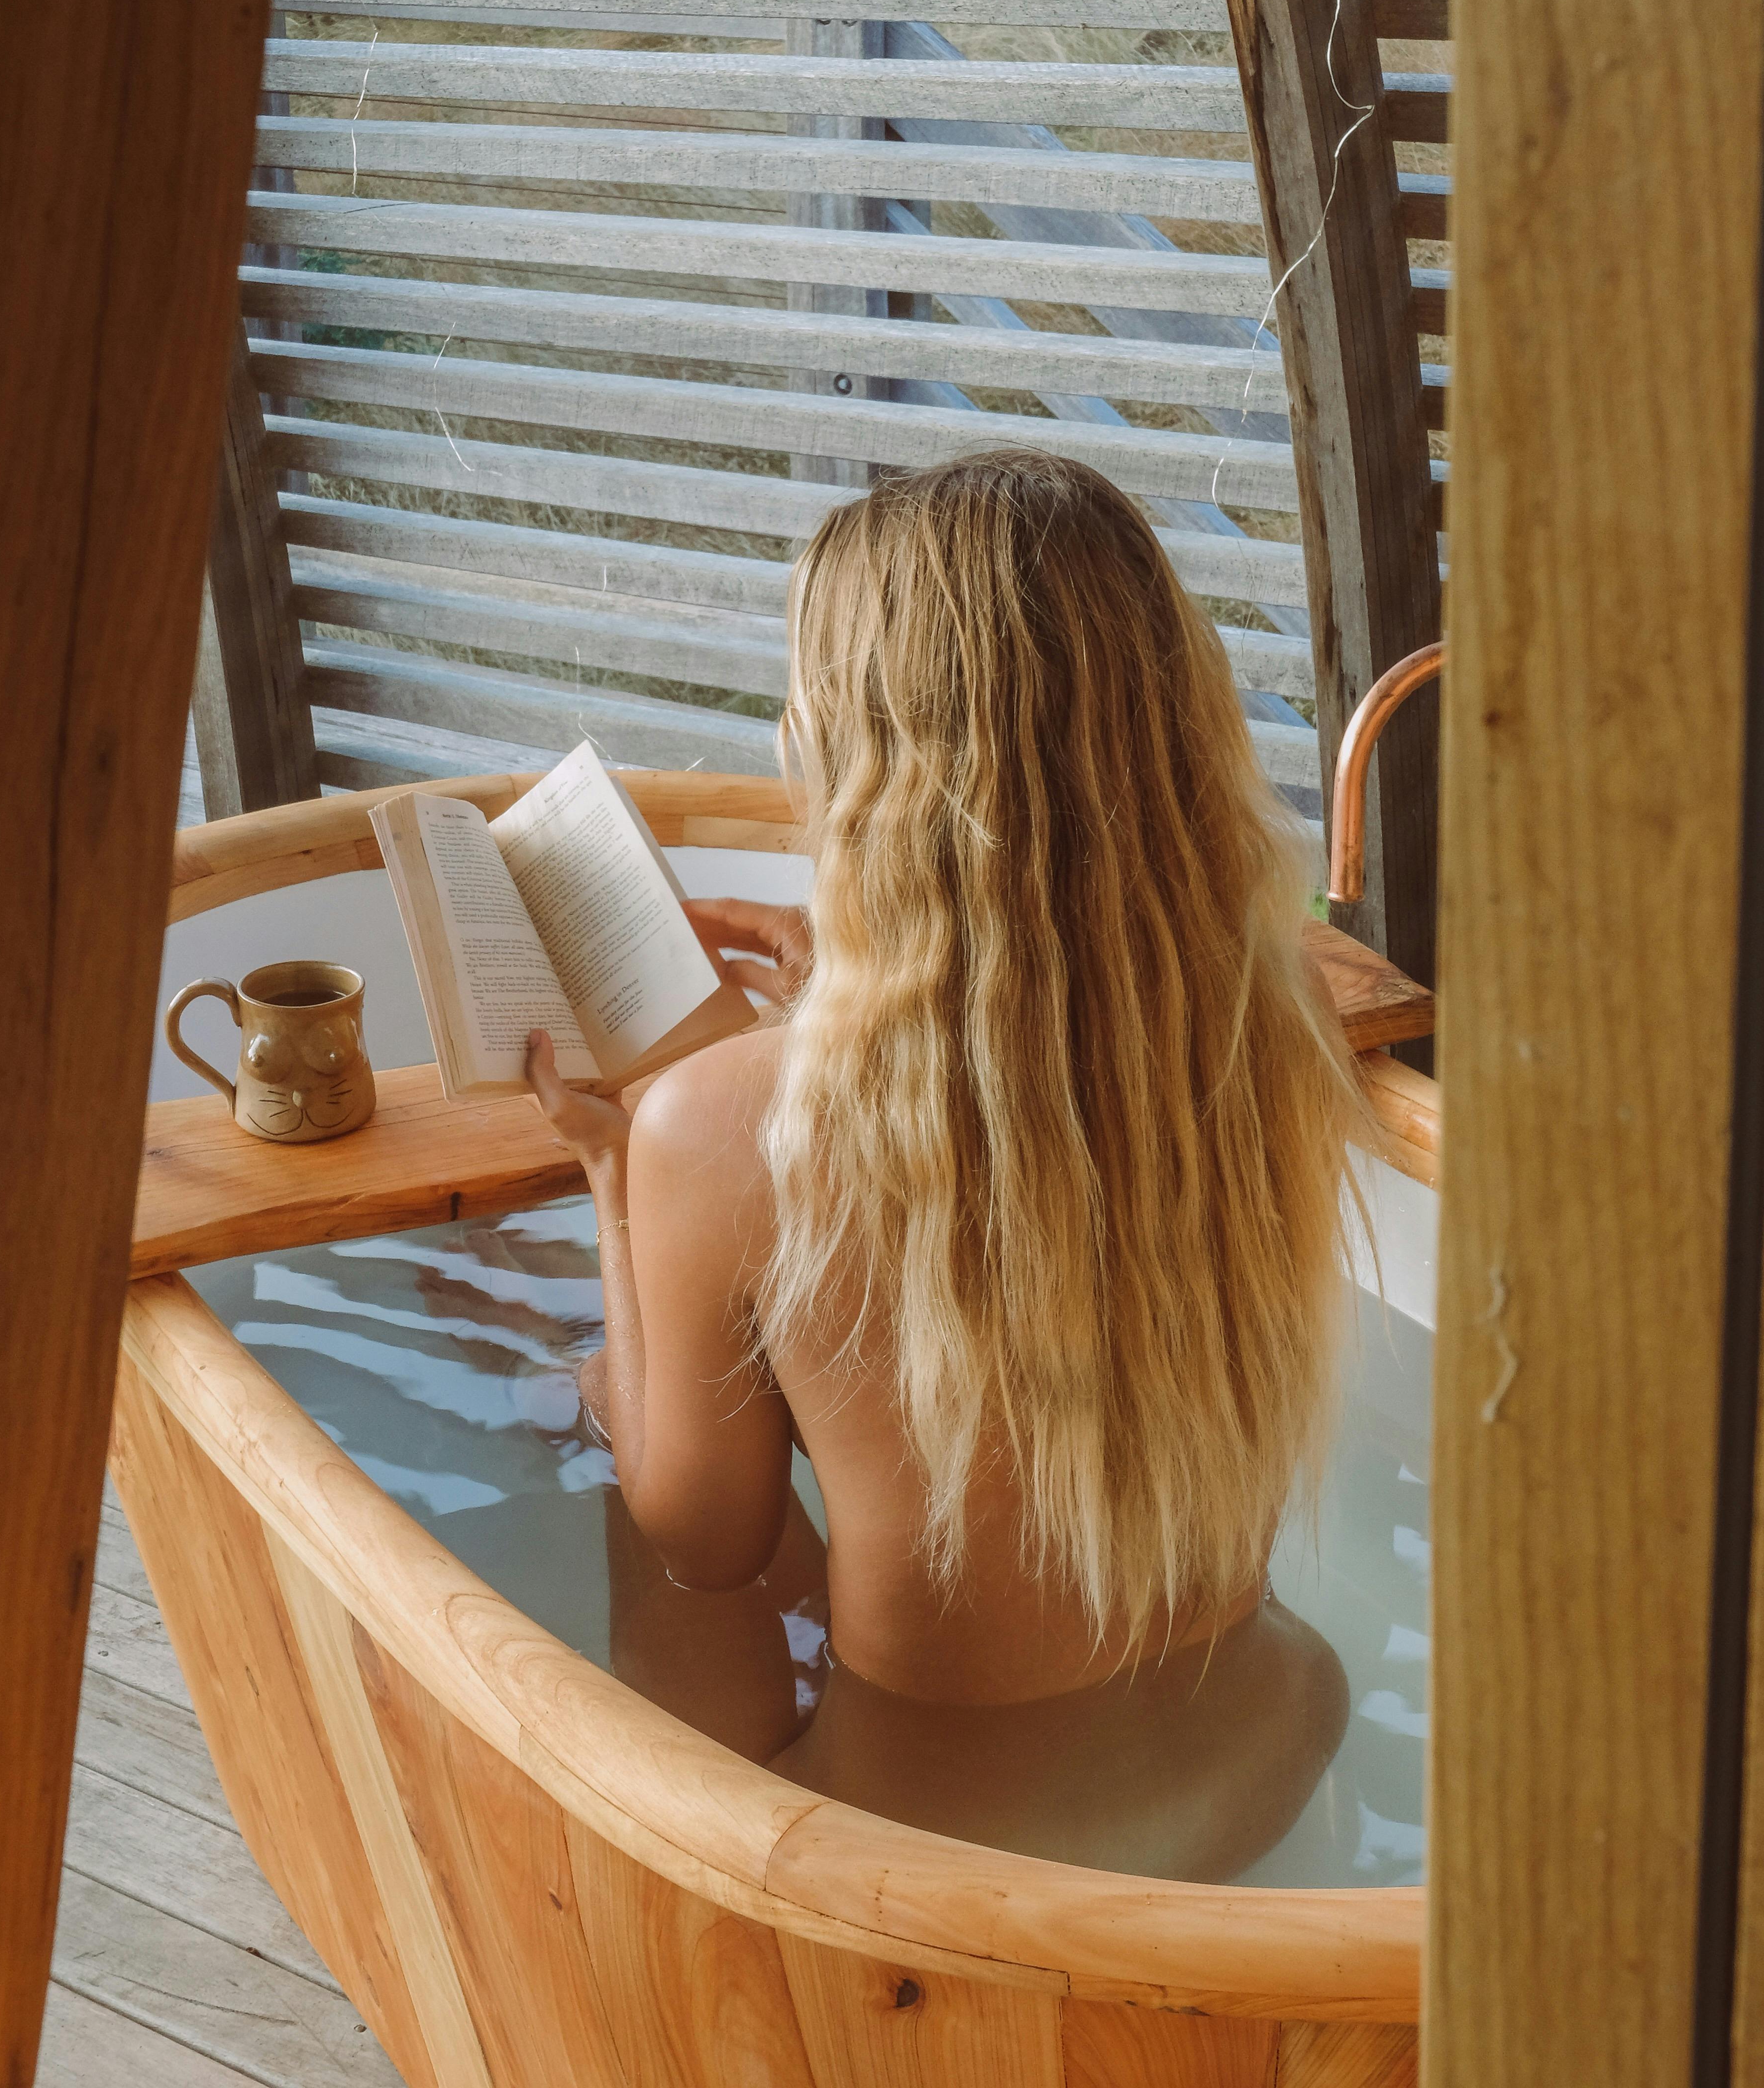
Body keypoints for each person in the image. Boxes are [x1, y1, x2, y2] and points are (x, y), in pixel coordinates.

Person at [527, 449, 1369, 1880]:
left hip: (946, 1865)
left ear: (861, 769)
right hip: (1274, 1747)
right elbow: (1028, 1109)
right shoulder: (1258, 1033)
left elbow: (708, 1547)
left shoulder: (723, 1125)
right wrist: (843, 1007)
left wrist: (619, 1182)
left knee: (624, 1432)